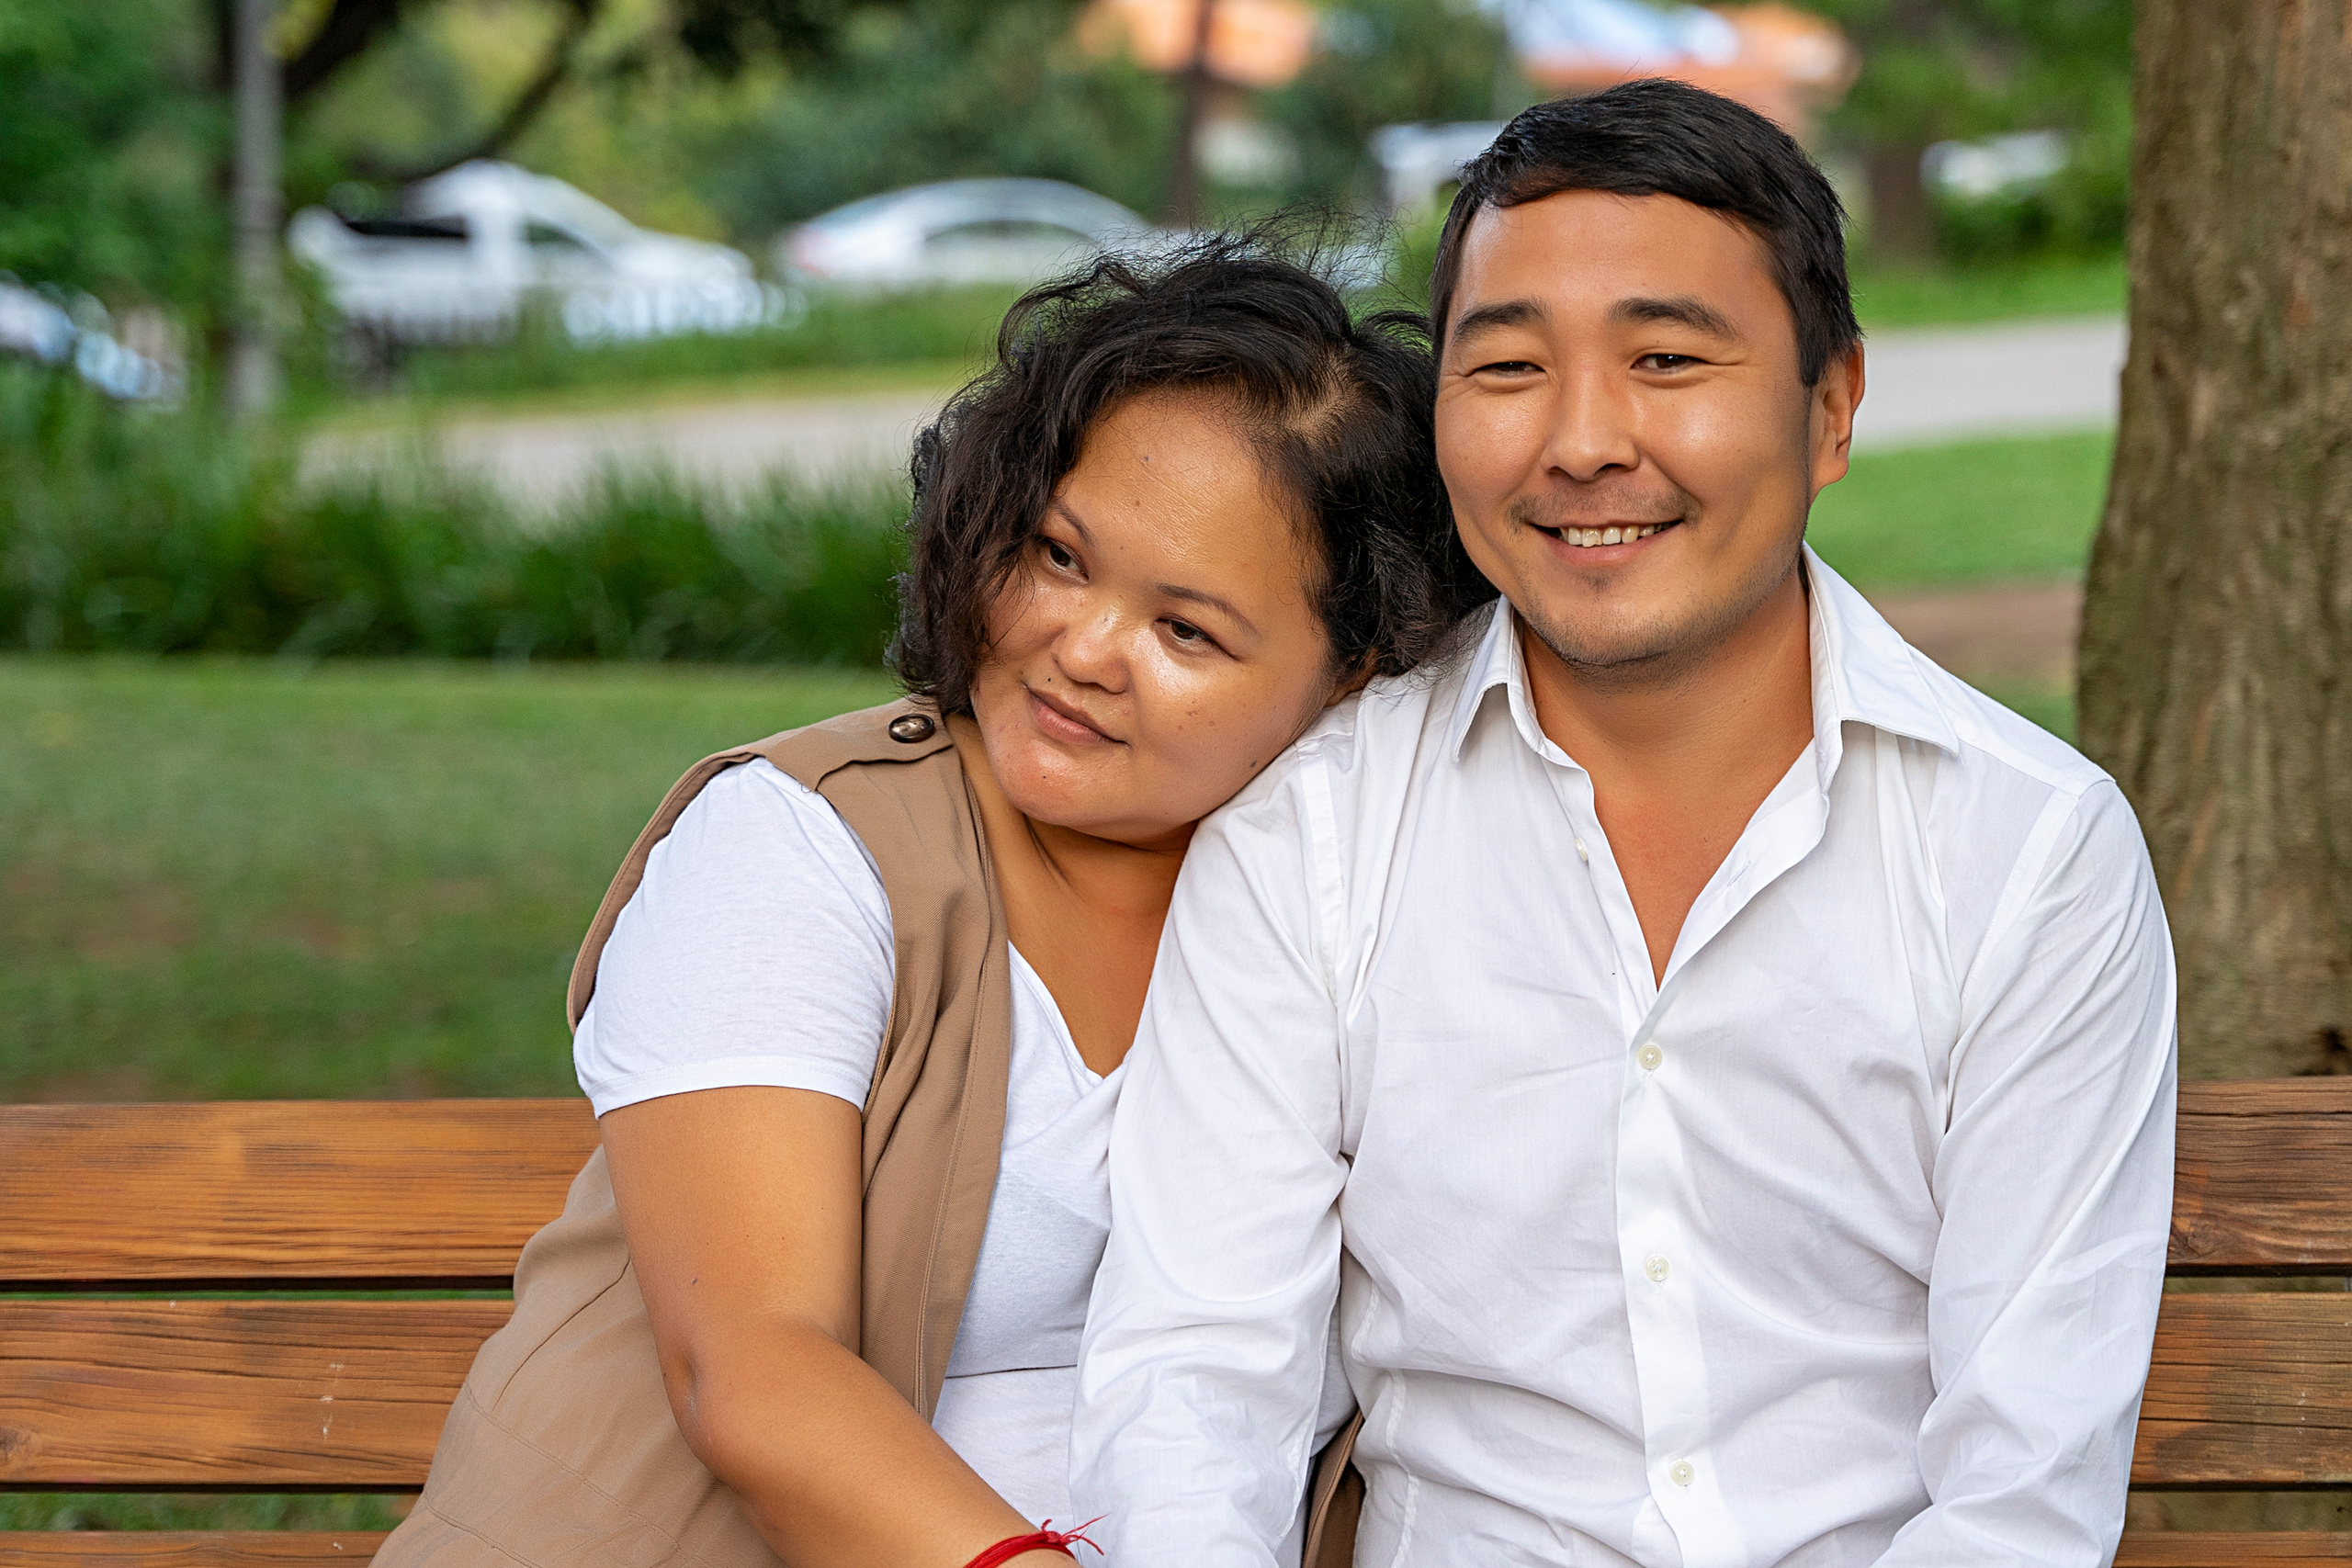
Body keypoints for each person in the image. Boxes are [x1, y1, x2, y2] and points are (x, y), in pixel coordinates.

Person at [1072, 80, 2177, 1567]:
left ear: (1832, 405)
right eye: (1510, 368)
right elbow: (1195, 1384)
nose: (1583, 443)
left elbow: (2022, 1490)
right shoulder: (1311, 841)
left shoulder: (2027, 852)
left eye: (1665, 359)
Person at [371, 238, 1487, 1568]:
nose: (1081, 649)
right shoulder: (800, 849)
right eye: (1062, 556)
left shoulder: (1342, 907)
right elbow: (756, 1377)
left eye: (1185, 631)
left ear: (1356, 675)